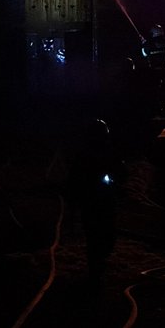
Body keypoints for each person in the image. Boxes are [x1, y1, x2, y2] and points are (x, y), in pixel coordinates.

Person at [68, 119, 121, 283]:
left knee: (102, 235)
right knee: (97, 236)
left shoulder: (105, 153)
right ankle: (95, 271)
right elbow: (74, 180)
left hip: (99, 201)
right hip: (96, 201)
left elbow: (120, 171)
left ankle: (97, 266)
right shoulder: (86, 155)